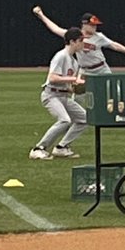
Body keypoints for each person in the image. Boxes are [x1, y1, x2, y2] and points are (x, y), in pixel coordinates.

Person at [31, 7, 125, 75]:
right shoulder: (74, 35)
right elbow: (55, 29)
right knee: (78, 98)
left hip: (101, 69)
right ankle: (77, 121)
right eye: (92, 25)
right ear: (84, 25)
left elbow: (114, 45)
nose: (95, 27)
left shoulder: (99, 37)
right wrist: (41, 15)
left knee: (114, 92)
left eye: (95, 25)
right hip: (85, 71)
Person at [29, 26, 88, 160]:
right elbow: (53, 78)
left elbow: (67, 85)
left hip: (63, 95)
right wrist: (74, 79)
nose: (82, 43)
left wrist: (76, 87)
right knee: (64, 120)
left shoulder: (74, 61)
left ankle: (62, 147)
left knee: (85, 119)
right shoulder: (61, 56)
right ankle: (38, 148)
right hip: (51, 95)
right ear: (72, 41)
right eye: (80, 40)